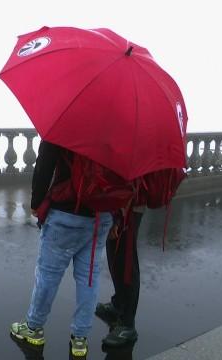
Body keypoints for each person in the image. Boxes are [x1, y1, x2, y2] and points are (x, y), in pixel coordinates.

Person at [10, 140, 113, 358]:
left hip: (66, 213)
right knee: (89, 278)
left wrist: (37, 202)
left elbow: (44, 165)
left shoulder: (65, 124)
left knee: (48, 274)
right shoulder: (116, 126)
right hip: (101, 214)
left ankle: (34, 327)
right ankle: (80, 339)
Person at [96, 205, 145, 347]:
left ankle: (127, 324)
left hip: (129, 206)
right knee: (116, 257)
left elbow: (130, 183)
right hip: (121, 206)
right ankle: (118, 304)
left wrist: (118, 216)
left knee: (125, 261)